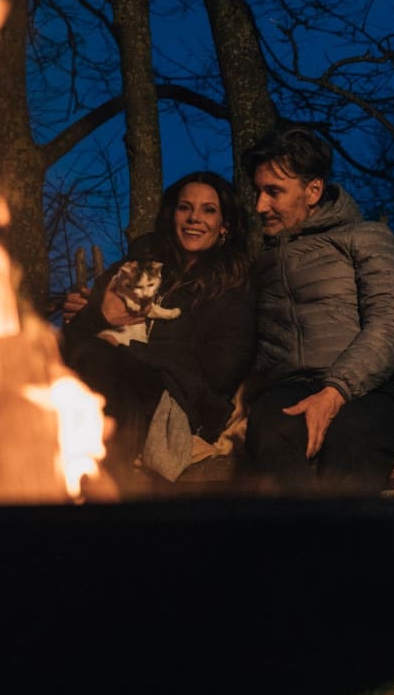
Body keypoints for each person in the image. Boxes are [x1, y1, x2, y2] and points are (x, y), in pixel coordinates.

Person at [239, 125, 394, 495]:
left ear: (313, 190)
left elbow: (392, 323)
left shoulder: (365, 238)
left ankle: (335, 550)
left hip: (364, 391)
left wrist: (335, 391)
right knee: (271, 434)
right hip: (286, 392)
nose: (260, 205)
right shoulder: (261, 264)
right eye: (258, 191)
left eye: (273, 192)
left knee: (351, 439)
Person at [60, 171, 255, 488]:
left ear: (225, 226)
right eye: (185, 207)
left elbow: (220, 369)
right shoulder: (141, 264)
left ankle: (109, 485)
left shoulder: (233, 283)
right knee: (93, 359)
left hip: (181, 399)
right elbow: (73, 343)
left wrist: (132, 351)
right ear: (172, 214)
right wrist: (98, 314)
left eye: (208, 210)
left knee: (104, 360)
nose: (194, 218)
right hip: (111, 386)